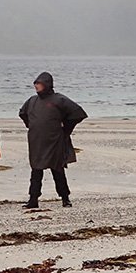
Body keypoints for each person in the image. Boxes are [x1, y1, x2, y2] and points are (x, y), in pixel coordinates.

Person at [18, 71, 87, 208]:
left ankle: (65, 198)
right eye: (35, 83)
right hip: (36, 141)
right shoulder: (32, 101)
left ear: (47, 84)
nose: (36, 86)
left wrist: (66, 129)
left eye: (39, 83)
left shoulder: (58, 99)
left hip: (54, 140)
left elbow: (78, 113)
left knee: (58, 170)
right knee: (36, 170)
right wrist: (31, 126)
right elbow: (22, 113)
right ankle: (33, 199)